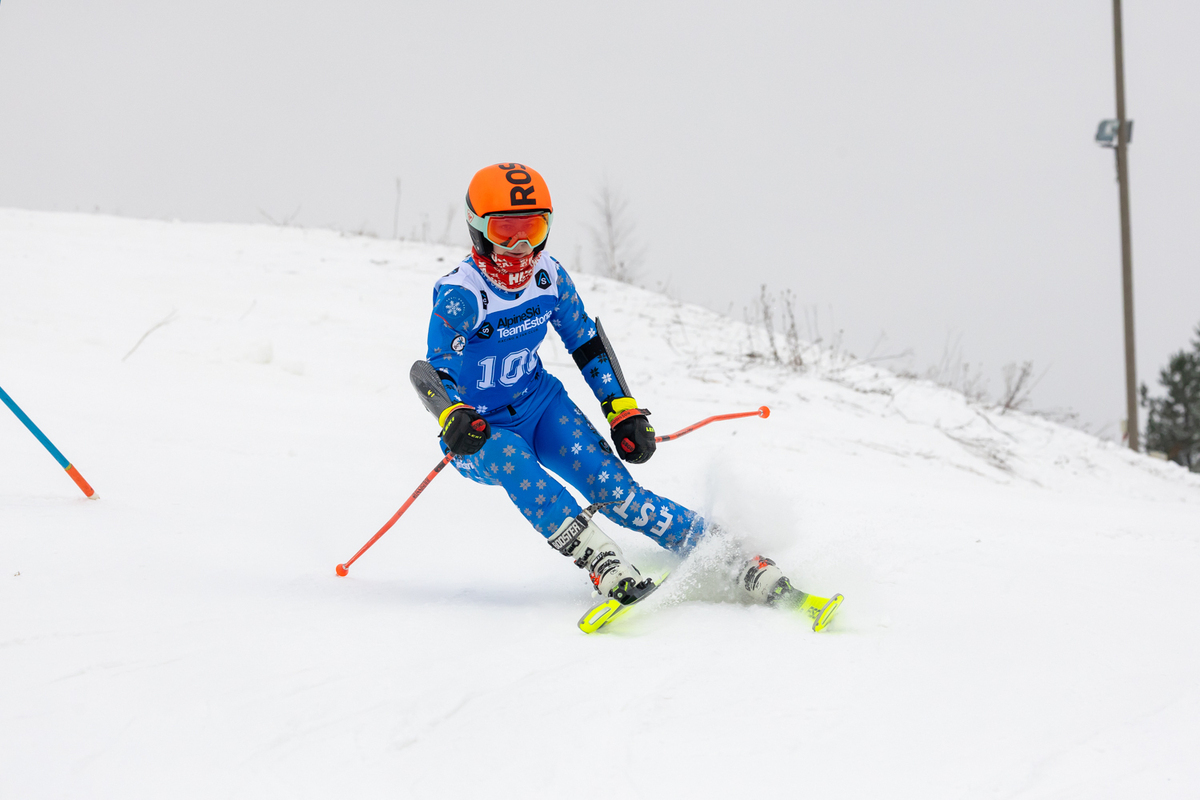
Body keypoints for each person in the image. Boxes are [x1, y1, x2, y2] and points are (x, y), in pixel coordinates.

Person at [416, 162, 797, 606]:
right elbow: (433, 371)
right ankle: (602, 561)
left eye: (533, 229)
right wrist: (452, 414)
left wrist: (622, 409)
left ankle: (730, 554)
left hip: (541, 407)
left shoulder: (549, 277)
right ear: (478, 230)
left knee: (618, 495)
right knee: (512, 459)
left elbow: (586, 342)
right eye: (506, 231)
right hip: (480, 431)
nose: (521, 247)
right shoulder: (462, 295)